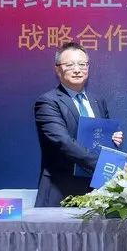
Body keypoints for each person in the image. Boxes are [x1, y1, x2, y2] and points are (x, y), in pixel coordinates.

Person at [34, 42, 122, 207]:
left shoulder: (97, 101)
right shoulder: (48, 102)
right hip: (61, 189)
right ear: (58, 69)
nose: (77, 69)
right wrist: (102, 163)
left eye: (82, 64)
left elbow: (102, 138)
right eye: (69, 65)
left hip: (95, 190)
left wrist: (113, 139)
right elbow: (63, 142)